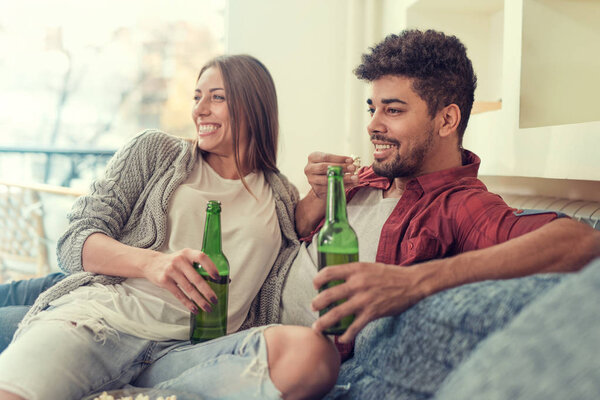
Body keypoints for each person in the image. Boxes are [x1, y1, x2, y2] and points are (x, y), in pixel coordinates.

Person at [0, 54, 339, 400]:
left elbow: (294, 227)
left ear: (254, 107)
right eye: (197, 97)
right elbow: (74, 241)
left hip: (189, 356)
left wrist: (325, 189)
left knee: (313, 356)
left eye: (217, 97)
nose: (199, 110)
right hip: (102, 323)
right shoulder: (157, 152)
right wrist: (152, 262)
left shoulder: (280, 193)